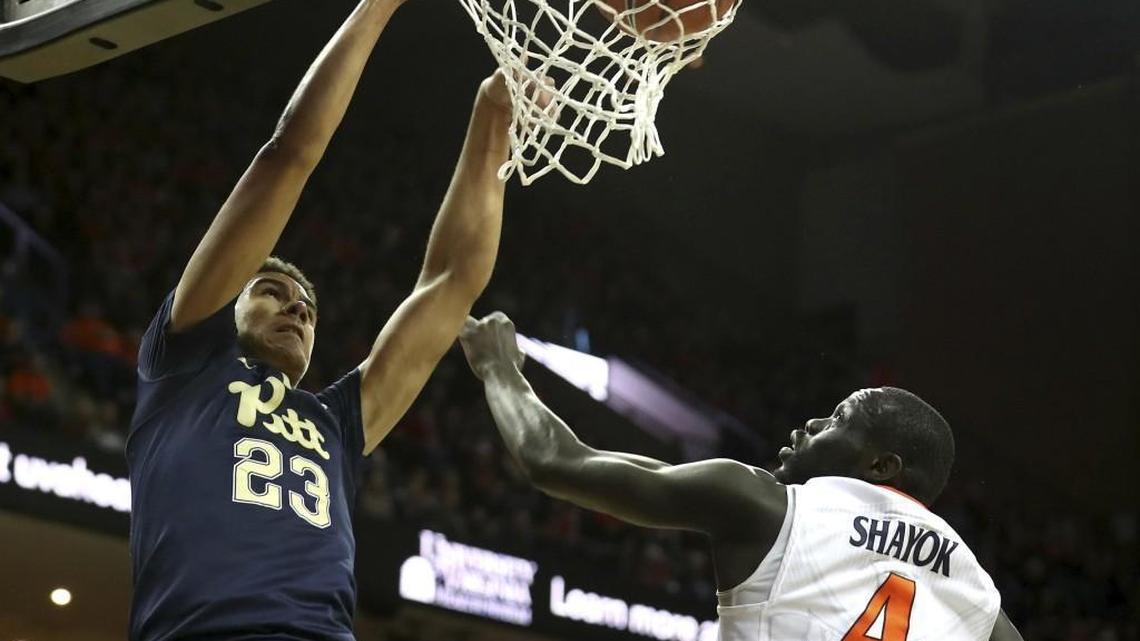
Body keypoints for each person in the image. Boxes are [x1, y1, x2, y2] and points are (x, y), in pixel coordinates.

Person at [124, 0, 544, 637]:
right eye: (270, 290)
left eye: (308, 308)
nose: (296, 305)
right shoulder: (183, 366)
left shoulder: (337, 424)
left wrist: (492, 120)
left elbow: (453, 281)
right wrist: (376, 9)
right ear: (224, 300)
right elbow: (288, 153)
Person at [458, 312, 1026, 641]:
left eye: (838, 419)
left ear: (880, 466)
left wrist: (498, 366)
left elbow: (555, 460)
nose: (812, 423)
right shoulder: (975, 588)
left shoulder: (769, 504)